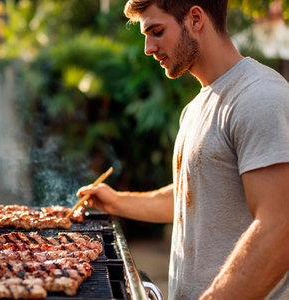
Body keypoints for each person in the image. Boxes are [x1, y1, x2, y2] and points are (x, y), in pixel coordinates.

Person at [77, 0, 289, 299]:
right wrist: (117, 202)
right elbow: (195, 197)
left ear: (195, 19)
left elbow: (280, 226)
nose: (149, 48)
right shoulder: (195, 109)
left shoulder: (260, 96)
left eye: (157, 31)